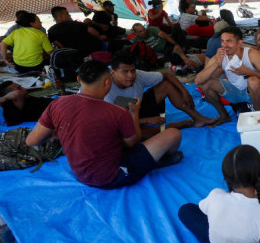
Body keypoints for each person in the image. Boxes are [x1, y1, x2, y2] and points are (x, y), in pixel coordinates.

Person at [25, 60, 183, 189]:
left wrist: (60, 132)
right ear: (108, 83)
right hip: (112, 176)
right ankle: (159, 161)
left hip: (81, 174)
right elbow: (133, 142)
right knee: (173, 133)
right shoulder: (117, 112)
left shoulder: (57, 103)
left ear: (79, 80)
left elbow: (31, 141)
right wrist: (134, 114)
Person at [106, 51, 217, 138]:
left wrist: (185, 91)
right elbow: (115, 123)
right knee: (133, 134)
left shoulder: (138, 75)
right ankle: (171, 127)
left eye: (132, 70)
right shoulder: (106, 90)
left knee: (166, 85)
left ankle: (197, 118)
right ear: (113, 73)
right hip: (124, 119)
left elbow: (167, 76)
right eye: (125, 72)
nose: (130, 75)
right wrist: (147, 120)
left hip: (138, 107)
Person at [195, 27, 260, 124]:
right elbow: (198, 81)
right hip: (235, 92)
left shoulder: (251, 54)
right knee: (206, 84)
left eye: (229, 41)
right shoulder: (220, 55)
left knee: (253, 81)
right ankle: (224, 116)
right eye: (222, 41)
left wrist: (247, 71)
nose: (224, 45)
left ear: (239, 43)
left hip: (254, 92)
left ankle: (259, 116)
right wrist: (217, 64)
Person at [130, 23, 199, 69]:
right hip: (164, 49)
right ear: (135, 33)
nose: (143, 32)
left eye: (143, 29)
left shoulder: (151, 29)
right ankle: (183, 53)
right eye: (140, 32)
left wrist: (175, 44)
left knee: (176, 28)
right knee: (174, 56)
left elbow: (164, 35)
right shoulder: (136, 40)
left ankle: (186, 49)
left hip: (169, 41)